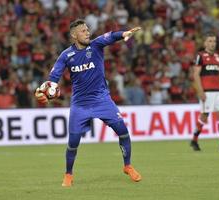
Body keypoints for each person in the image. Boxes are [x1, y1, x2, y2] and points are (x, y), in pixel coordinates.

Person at [34, 19, 142, 187]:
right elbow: (53, 78)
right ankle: (68, 174)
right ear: (74, 35)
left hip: (102, 100)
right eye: (83, 31)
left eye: (87, 30)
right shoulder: (66, 55)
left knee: (123, 131)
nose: (87, 33)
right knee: (73, 142)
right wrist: (46, 90)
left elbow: (110, 36)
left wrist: (124, 34)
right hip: (80, 104)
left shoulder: (96, 45)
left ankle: (127, 166)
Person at [190, 32, 219, 151]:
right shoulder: (201, 56)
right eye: (209, 41)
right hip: (207, 91)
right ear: (205, 43)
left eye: (214, 41)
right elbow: (196, 74)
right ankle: (194, 140)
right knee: (204, 116)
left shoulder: (217, 57)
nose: (212, 43)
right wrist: (200, 91)